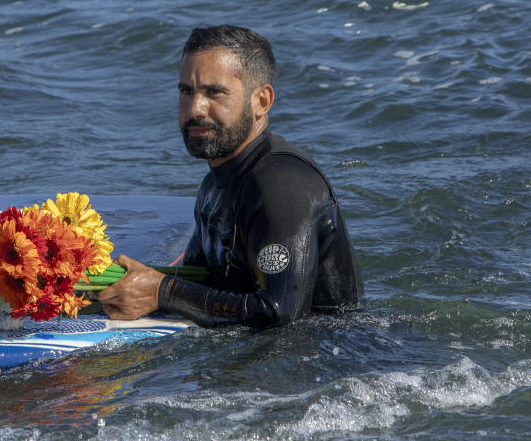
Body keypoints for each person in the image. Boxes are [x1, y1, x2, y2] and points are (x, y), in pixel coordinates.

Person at [97, 25, 361, 328]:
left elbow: (279, 315)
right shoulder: (213, 187)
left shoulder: (283, 184)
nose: (195, 108)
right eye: (186, 91)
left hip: (331, 359)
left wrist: (163, 291)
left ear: (261, 101)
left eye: (214, 92)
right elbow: (203, 284)